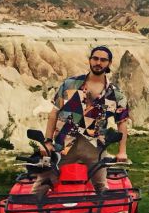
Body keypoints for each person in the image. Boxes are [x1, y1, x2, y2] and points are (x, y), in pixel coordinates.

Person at [31, 45, 129, 198]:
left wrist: (122, 151)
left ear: (109, 64)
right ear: (90, 60)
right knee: (41, 185)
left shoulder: (116, 94)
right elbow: (54, 113)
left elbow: (122, 122)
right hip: (63, 143)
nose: (98, 62)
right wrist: (48, 141)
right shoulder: (70, 84)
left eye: (103, 60)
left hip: (94, 146)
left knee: (101, 188)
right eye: (95, 58)